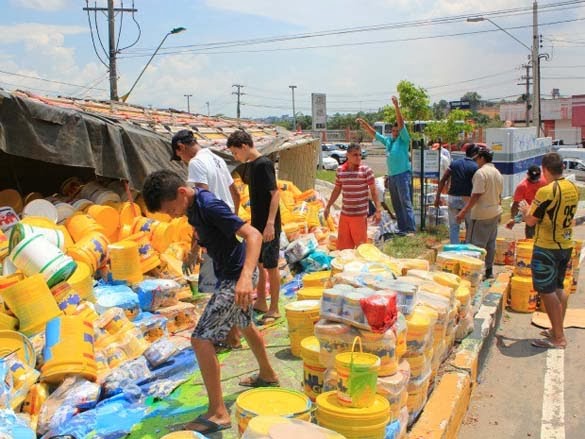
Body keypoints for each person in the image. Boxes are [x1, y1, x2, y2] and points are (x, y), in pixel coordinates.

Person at [142, 170, 279, 434]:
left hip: (237, 276)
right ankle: (268, 374)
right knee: (245, 322)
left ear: (182, 193)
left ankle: (218, 412)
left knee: (200, 338)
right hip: (232, 273)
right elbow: (199, 228)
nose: (172, 216)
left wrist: (245, 280)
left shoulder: (209, 205)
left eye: (171, 210)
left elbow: (254, 235)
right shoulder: (191, 207)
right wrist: (195, 249)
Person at [171, 129, 242, 348]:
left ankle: (225, 338)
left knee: (220, 287)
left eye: (179, 157)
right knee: (230, 286)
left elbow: (199, 204)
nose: (182, 161)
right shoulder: (217, 158)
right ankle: (233, 336)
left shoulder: (196, 163)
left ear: (181, 148)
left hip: (213, 229)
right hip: (227, 224)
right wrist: (232, 220)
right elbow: (236, 194)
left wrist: (195, 246)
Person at [521, 152, 578, 349]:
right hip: (566, 244)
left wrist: (524, 210)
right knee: (559, 287)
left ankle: (558, 338)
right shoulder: (573, 187)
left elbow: (531, 220)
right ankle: (557, 329)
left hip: (547, 246)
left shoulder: (546, 191)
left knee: (546, 291)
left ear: (545, 169)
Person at [227, 130, 281, 325]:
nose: (235, 157)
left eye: (235, 153)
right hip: (257, 222)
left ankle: (274, 308)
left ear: (244, 146)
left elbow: (275, 194)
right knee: (259, 263)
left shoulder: (263, 164)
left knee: (271, 266)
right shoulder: (251, 166)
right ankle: (262, 302)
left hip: (268, 224)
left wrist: (269, 224)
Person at [357, 96, 416, 235]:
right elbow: (375, 134)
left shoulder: (404, 140)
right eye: (393, 131)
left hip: (403, 175)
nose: (395, 133)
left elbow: (401, 124)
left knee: (405, 202)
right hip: (393, 176)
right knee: (396, 203)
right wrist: (365, 125)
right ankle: (402, 228)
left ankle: (411, 229)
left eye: (397, 131)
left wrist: (396, 107)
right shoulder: (389, 141)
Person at [456, 148, 503, 279]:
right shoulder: (497, 173)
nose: (476, 161)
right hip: (495, 211)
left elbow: (476, 195)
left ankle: (474, 273)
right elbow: (500, 194)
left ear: (482, 158)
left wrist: (463, 211)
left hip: (481, 213)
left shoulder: (481, 173)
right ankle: (489, 270)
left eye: (477, 159)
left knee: (476, 244)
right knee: (490, 243)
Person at [324, 143, 381, 250]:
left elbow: (373, 191)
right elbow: (337, 189)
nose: (358, 157)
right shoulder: (340, 171)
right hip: (345, 215)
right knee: (343, 250)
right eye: (355, 155)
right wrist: (328, 206)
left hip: (359, 216)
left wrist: (378, 210)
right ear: (347, 155)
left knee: (361, 249)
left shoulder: (366, 171)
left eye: (360, 155)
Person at [435, 143, 479, 244]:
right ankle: (468, 250)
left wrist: (437, 197)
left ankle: (454, 251)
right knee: (470, 227)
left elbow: (443, 180)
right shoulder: (476, 167)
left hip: (453, 198)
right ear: (476, 154)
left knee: (454, 227)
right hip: (467, 200)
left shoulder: (455, 163)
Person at [505, 165, 547, 239]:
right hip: (531, 214)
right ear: (527, 174)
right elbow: (516, 205)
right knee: (530, 237)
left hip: (545, 213)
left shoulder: (546, 180)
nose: (534, 181)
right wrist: (513, 219)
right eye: (532, 179)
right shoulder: (522, 186)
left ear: (540, 175)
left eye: (536, 178)